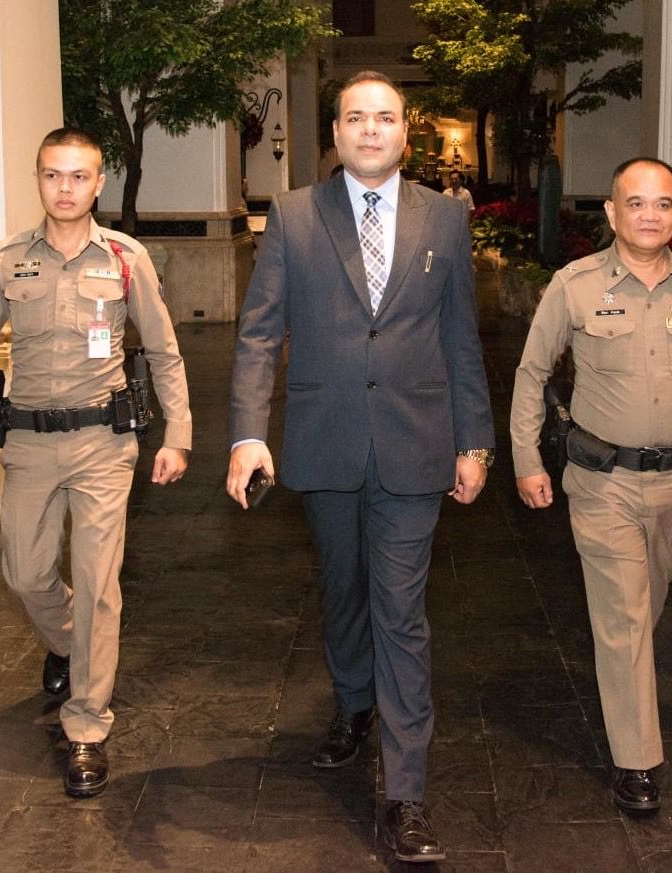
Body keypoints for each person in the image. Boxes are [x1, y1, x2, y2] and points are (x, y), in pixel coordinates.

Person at [227, 71, 494, 863]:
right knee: (343, 590)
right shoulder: (293, 215)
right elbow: (258, 332)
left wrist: (473, 441)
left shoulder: (444, 218)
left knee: (400, 612)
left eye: (384, 118)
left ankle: (404, 794)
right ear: (336, 132)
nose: (370, 129)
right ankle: (352, 701)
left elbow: (460, 336)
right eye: (355, 117)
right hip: (325, 440)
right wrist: (247, 434)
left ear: (404, 134)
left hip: (416, 443)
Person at [510, 157, 672, 812]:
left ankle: (623, 690)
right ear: (611, 211)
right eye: (636, 203)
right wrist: (526, 459)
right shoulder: (575, 285)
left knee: (642, 610)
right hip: (603, 484)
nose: (650, 215)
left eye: (663, 204)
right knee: (626, 617)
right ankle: (638, 760)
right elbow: (531, 373)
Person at [0, 127, 191, 799]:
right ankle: (69, 642)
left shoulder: (125, 258)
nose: (65, 188)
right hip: (27, 442)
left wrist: (178, 433)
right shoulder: (7, 260)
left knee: (98, 581)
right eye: (53, 175)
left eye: (79, 176)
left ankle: (85, 724)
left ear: (98, 183)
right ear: (38, 179)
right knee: (25, 573)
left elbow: (163, 349)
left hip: (103, 445)